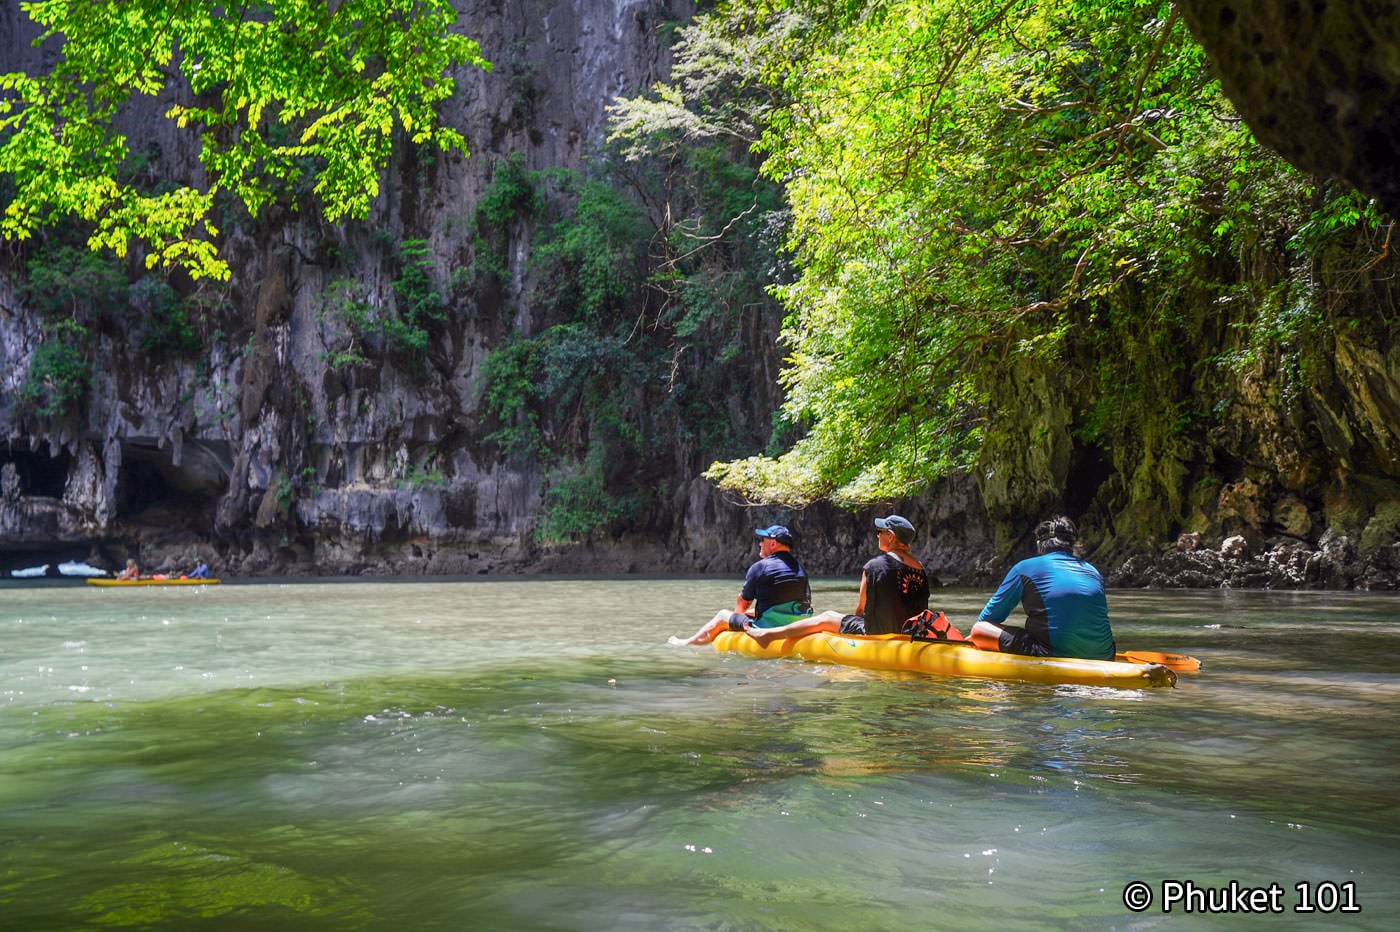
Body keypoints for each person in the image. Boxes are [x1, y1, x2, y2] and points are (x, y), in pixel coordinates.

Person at [746, 515, 933, 646]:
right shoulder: (921, 569)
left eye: (880, 531)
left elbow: (861, 610)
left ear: (890, 537)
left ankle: (768, 635)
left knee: (827, 617)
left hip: (878, 633)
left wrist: (851, 636)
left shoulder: (874, 566)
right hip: (912, 632)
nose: (877, 535)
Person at [967, 515, 1116, 660]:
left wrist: (970, 640)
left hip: (1051, 653)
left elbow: (988, 619)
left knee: (979, 629)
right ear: (1073, 544)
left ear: (1039, 544)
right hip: (1106, 655)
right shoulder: (1093, 571)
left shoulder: (1024, 568)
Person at [671, 525, 812, 646]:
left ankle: (686, 643)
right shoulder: (800, 569)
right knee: (750, 612)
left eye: (763, 540)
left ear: (773, 544)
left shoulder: (760, 567)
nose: (760, 544)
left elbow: (742, 604)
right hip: (798, 624)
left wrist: (735, 624)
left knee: (722, 615)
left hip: (769, 628)